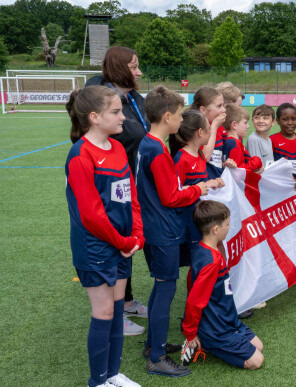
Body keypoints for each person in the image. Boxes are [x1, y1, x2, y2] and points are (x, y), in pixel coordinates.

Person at [65, 86, 144, 387]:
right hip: (96, 247)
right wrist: (124, 242)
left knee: (115, 313)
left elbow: (130, 195)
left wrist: (137, 234)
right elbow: (92, 215)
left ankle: (113, 375)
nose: (123, 117)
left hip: (123, 245)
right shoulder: (80, 155)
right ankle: (98, 381)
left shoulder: (119, 149)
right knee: (105, 310)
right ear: (95, 117)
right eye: (116, 112)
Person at [136, 86, 205, 377]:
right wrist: (198, 188)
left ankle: (154, 344)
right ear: (167, 117)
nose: (181, 121)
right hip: (163, 231)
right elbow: (171, 197)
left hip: (154, 228)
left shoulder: (147, 144)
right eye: (178, 115)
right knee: (165, 289)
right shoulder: (157, 151)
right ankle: (158, 358)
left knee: (160, 287)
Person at [86, 46, 150, 336]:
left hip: (130, 183)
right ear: (119, 68)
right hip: (109, 184)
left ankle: (125, 301)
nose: (138, 72)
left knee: (128, 243)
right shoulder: (99, 94)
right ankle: (113, 313)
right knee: (114, 245)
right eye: (134, 67)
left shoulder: (134, 98)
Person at [181, 200, 264, 370]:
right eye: (227, 224)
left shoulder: (205, 249)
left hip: (227, 318)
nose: (230, 226)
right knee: (256, 361)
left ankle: (209, 340)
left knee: (259, 346)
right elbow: (194, 301)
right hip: (215, 326)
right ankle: (205, 343)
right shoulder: (210, 261)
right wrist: (190, 333)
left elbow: (191, 281)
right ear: (216, 229)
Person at [170, 109, 225, 291]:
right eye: (209, 129)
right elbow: (176, 190)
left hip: (203, 217)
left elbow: (199, 184)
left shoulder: (200, 154)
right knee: (197, 261)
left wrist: (212, 182)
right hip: (190, 220)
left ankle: (208, 293)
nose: (211, 133)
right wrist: (199, 187)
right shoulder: (181, 158)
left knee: (207, 256)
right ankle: (195, 297)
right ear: (200, 133)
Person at [188, 87, 227, 179]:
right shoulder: (195, 129)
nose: (224, 110)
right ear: (203, 110)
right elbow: (205, 157)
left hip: (216, 182)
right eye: (219, 106)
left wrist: (226, 162)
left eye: (223, 105)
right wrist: (213, 128)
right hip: (202, 184)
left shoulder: (219, 127)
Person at [270, 103, 296, 192]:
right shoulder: (272, 140)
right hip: (277, 186)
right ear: (278, 121)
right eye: (285, 119)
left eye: (293, 119)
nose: (290, 123)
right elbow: (269, 165)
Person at [222, 104, 263, 173]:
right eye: (245, 123)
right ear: (234, 125)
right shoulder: (234, 143)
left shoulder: (228, 141)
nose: (248, 126)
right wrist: (256, 161)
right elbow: (239, 172)